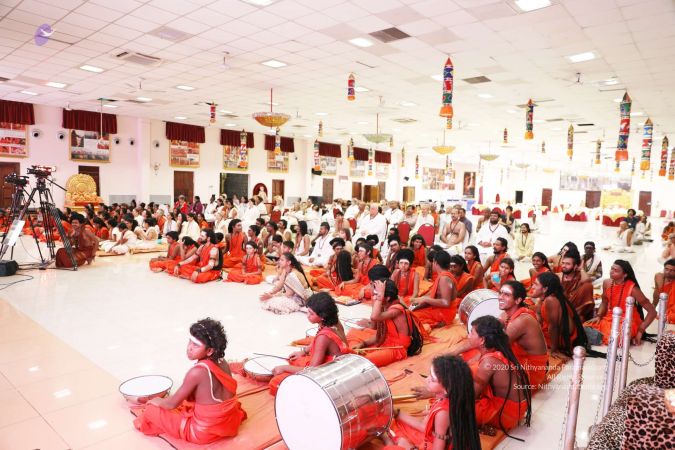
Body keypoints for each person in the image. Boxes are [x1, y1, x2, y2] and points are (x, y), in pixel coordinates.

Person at [133, 318, 246, 444]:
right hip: (228, 422)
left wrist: (155, 401)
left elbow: (171, 404)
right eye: (190, 341)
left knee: (150, 409)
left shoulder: (196, 372)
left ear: (209, 351)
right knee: (180, 403)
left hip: (202, 432)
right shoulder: (222, 361)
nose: (189, 348)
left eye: (195, 345)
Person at [385, 355, 481, 450]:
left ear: (447, 389)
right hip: (434, 440)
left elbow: (439, 444)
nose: (427, 379)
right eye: (430, 375)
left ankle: (389, 440)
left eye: (432, 379)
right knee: (396, 425)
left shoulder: (443, 413)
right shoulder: (449, 398)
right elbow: (425, 427)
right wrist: (397, 413)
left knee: (392, 446)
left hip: (438, 445)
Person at [268, 293, 351, 393]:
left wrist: (284, 368)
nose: (307, 315)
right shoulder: (333, 321)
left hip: (333, 372)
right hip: (341, 362)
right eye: (308, 311)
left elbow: (312, 371)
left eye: (311, 313)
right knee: (296, 360)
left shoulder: (323, 337)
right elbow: (318, 336)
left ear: (322, 316)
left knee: (276, 382)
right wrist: (303, 351)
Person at [469, 316, 531, 432]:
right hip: (518, 409)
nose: (468, 336)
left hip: (506, 415)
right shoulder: (499, 350)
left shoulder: (488, 362)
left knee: (451, 408)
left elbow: (470, 396)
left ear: (482, 340)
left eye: (471, 333)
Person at [586, 260, 657, 345]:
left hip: (628, 321)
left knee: (615, 338)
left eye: (616, 270)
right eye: (612, 268)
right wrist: (599, 316)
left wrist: (640, 332)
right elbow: (604, 302)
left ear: (625, 275)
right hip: (610, 318)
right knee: (583, 327)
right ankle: (598, 337)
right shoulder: (606, 283)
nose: (611, 271)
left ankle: (598, 337)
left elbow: (652, 312)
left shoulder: (633, 289)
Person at [348, 279, 412, 367]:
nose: (374, 298)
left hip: (397, 348)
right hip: (386, 341)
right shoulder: (386, 306)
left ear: (387, 298)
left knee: (364, 361)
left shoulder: (397, 309)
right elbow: (381, 334)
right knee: (352, 333)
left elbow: (374, 317)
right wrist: (363, 344)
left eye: (377, 295)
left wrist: (379, 298)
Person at [531, 272, 587, 360]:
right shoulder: (546, 298)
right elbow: (540, 320)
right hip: (553, 334)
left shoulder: (550, 300)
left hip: (563, 340)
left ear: (545, 289)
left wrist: (554, 350)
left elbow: (554, 327)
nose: (532, 286)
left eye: (536, 284)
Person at [410, 251, 457, 329]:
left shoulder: (444, 278)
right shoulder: (443, 275)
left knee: (411, 318)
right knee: (412, 310)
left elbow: (446, 303)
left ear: (435, 262)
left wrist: (425, 299)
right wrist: (421, 299)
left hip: (444, 313)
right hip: (440, 309)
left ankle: (438, 323)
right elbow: (433, 294)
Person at [558, 249, 595, 322]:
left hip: (576, 311)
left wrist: (581, 269)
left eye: (568, 264)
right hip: (559, 308)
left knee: (587, 286)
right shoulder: (558, 277)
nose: (564, 266)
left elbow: (587, 281)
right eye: (563, 263)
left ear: (575, 266)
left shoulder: (580, 278)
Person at [653, 259, 675, 324]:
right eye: (666, 269)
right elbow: (656, 293)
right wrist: (653, 307)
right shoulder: (659, 277)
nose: (668, 272)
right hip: (664, 307)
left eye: (672, 270)